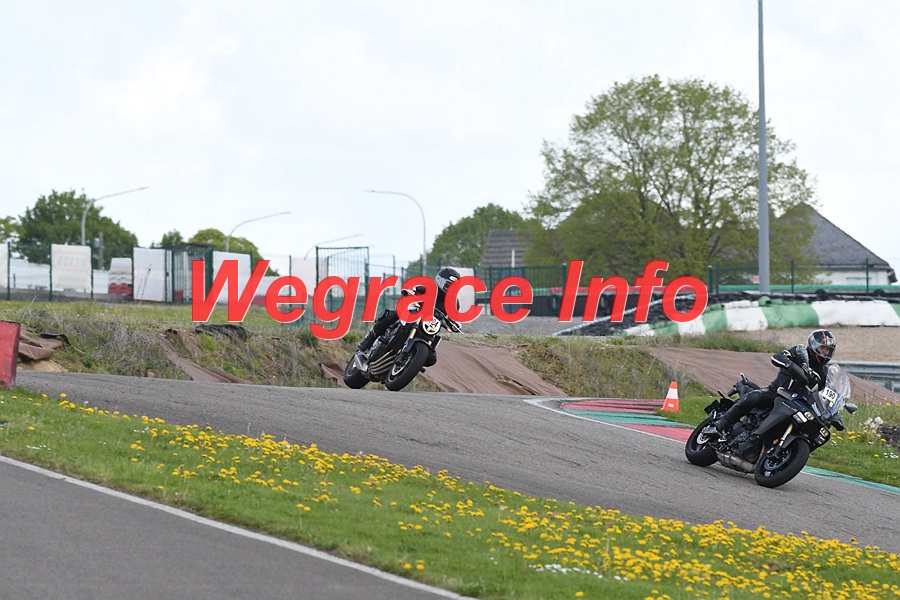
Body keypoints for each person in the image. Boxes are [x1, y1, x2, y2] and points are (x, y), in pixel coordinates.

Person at [708, 328, 837, 439]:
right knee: (753, 397)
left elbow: (827, 393)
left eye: (828, 350)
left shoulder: (824, 372)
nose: (825, 353)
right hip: (775, 392)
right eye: (823, 348)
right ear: (813, 344)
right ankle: (721, 424)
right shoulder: (800, 352)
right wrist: (789, 364)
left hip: (797, 404)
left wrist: (833, 411)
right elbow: (777, 357)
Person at [356, 267, 462, 363]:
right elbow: (416, 289)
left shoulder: (454, 303)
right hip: (416, 315)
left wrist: (455, 324)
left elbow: (454, 318)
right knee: (391, 315)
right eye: (448, 285)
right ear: (440, 281)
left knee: (431, 358)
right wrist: (411, 292)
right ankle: (368, 340)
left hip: (430, 327)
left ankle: (411, 361)